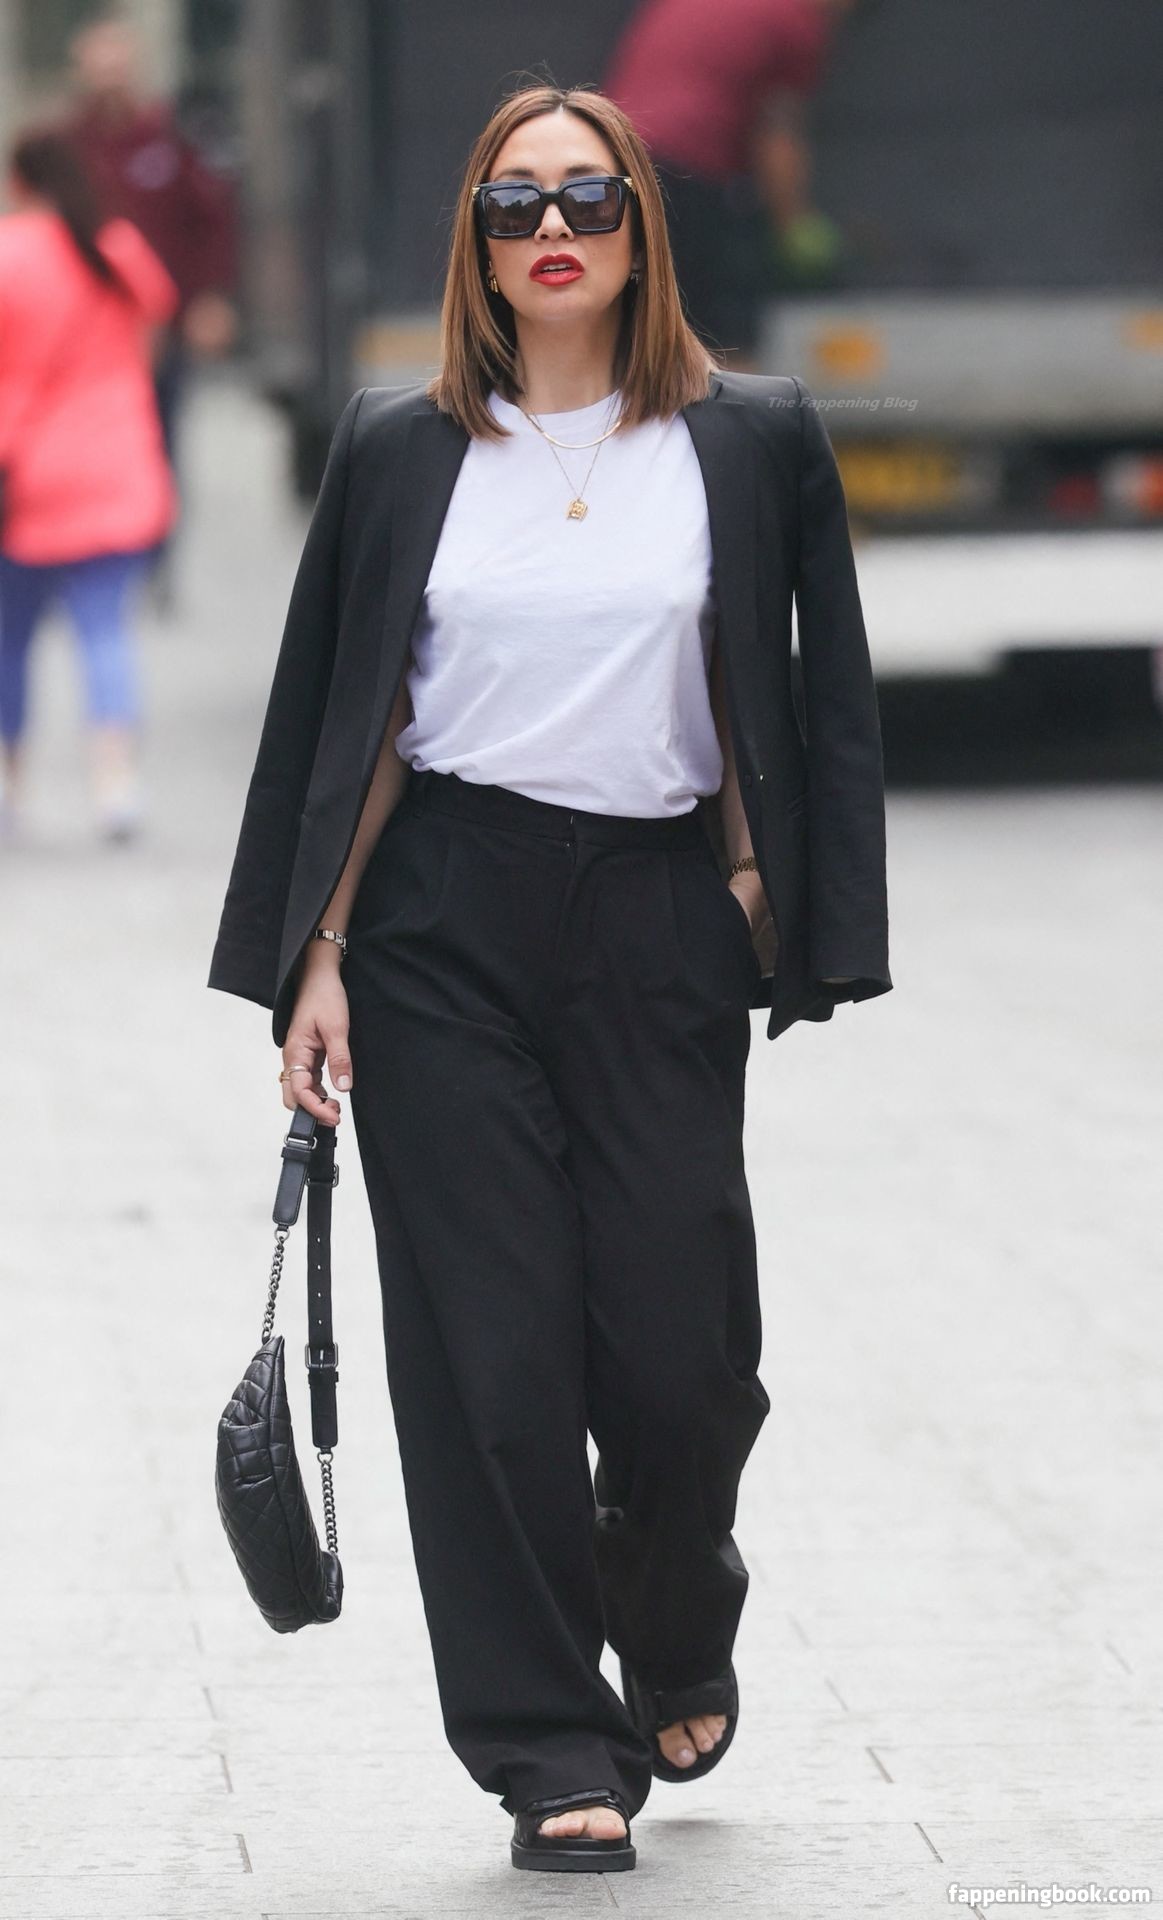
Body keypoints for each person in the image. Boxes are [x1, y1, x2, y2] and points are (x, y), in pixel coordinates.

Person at [208, 82, 890, 1872]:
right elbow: (347, 719)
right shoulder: (398, 446)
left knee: (681, 1362)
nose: (553, 228)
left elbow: (811, 698)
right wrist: (314, 957)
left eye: (587, 196)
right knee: (488, 1362)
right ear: (477, 245)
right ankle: (544, 1744)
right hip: (440, 922)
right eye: (513, 204)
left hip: (656, 915)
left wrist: (762, 893)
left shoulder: (748, 440)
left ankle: (667, 1606)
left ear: (641, 226)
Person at [0, 125, 178, 843]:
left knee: (9, 640)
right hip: (114, 465)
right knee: (106, 631)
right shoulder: (117, 248)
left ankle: (11, 782)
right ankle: (115, 786)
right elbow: (150, 337)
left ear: (18, 181)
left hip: (22, 475)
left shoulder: (8, 254)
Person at [605, 0, 857, 363]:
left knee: (639, 324)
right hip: (683, 172)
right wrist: (793, 224)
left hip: (614, 162)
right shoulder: (795, 21)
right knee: (723, 335)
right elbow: (778, 135)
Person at [64, 16, 239, 480]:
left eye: (117, 69)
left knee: (160, 437)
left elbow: (211, 219)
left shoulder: (168, 137)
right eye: (99, 70)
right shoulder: (67, 147)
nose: (109, 82)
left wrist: (211, 299)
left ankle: (156, 520)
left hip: (162, 323)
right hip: (86, 329)